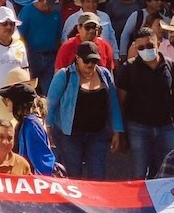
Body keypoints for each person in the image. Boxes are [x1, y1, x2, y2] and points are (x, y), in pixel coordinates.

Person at [117, 27, 174, 179]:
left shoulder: (171, 66)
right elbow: (121, 102)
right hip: (138, 127)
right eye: (141, 48)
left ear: (159, 44)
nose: (146, 50)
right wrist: (120, 132)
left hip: (166, 127)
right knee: (139, 173)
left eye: (150, 46)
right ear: (136, 48)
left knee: (167, 172)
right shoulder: (128, 68)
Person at [46, 41, 124, 179]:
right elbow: (50, 105)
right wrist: (48, 130)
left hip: (97, 134)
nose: (90, 65)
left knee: (98, 175)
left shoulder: (104, 74)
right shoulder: (64, 76)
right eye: (87, 60)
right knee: (73, 174)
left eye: (94, 61)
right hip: (70, 135)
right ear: (77, 58)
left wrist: (117, 130)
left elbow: (113, 103)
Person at [0, 79, 56, 175]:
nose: (6, 101)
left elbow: (41, 162)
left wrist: (40, 183)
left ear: (18, 103)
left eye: (9, 99)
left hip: (34, 182)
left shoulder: (31, 125)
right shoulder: (25, 123)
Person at [18, 0, 63, 93]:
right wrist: (25, 57)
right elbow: (21, 36)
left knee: (50, 91)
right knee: (29, 90)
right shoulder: (27, 11)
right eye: (49, 5)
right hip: (32, 56)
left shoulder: (56, 12)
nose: (51, 9)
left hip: (51, 57)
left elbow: (58, 35)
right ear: (42, 0)